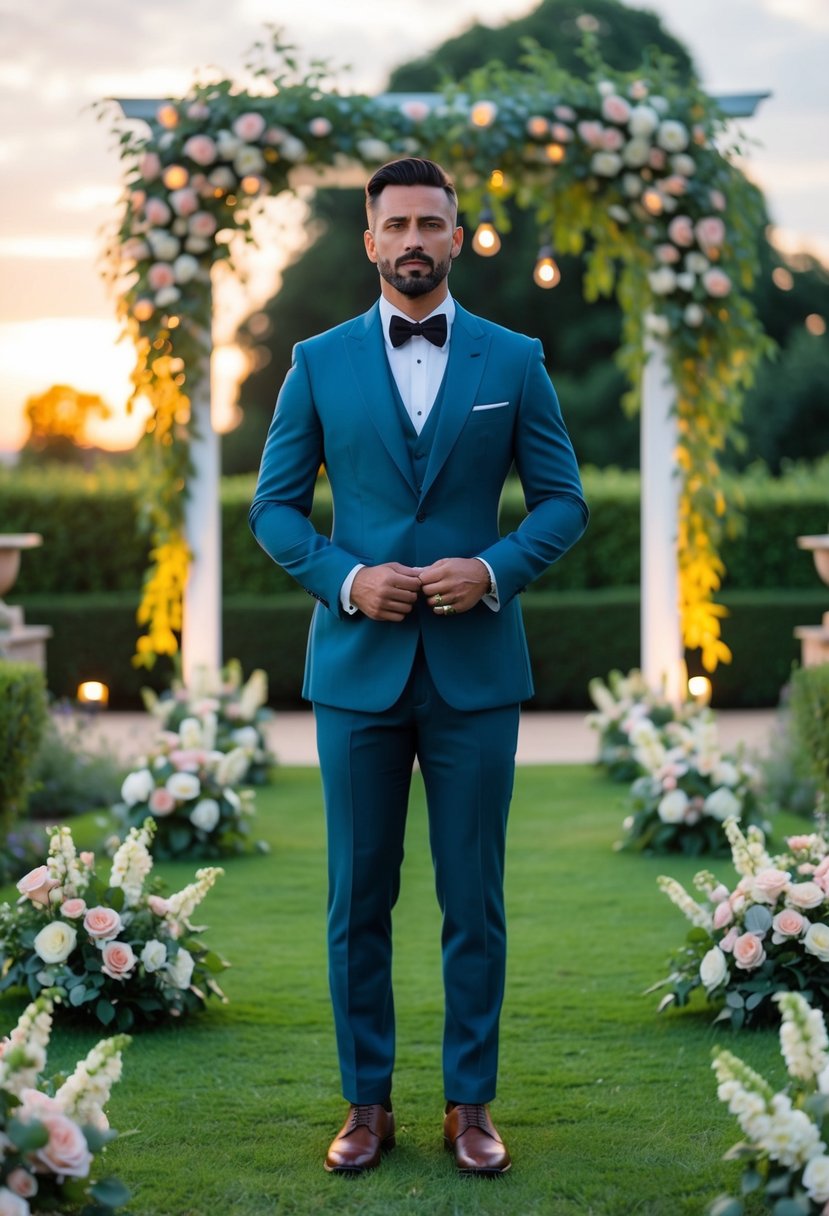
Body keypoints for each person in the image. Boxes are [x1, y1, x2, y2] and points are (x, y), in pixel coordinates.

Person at [249, 157, 588, 1176]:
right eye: (393, 224)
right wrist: (349, 581)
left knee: (472, 901)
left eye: (428, 223)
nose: (411, 239)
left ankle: (469, 1107)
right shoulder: (315, 362)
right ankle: (366, 1106)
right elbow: (273, 510)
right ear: (368, 241)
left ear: (455, 237)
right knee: (356, 901)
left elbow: (563, 502)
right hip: (356, 672)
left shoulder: (514, 359)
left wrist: (490, 569)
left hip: (476, 673)